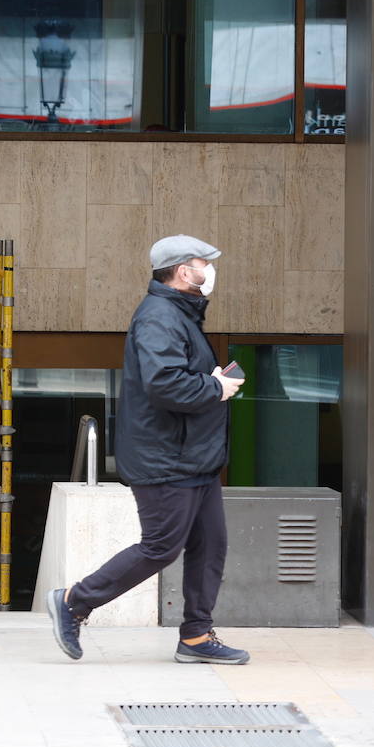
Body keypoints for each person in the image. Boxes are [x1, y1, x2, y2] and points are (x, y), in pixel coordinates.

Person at [46, 235, 250, 665]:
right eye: (203, 262)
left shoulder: (178, 313)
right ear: (182, 271)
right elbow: (163, 383)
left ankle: (196, 636)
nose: (209, 269)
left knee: (209, 544)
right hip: (167, 457)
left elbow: (174, 374)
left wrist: (209, 378)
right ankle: (74, 601)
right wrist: (215, 386)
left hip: (193, 455)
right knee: (161, 546)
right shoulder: (159, 316)